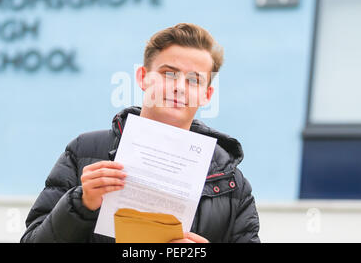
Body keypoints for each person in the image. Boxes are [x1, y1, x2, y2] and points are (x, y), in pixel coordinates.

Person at [20, 23, 260, 243]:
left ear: (207, 95)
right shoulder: (83, 152)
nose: (178, 87)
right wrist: (80, 204)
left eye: (194, 80)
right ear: (142, 78)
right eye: (168, 73)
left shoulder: (233, 186)